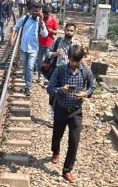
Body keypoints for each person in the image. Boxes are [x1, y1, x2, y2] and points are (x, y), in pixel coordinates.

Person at [46, 45, 94, 183]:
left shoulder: (86, 71)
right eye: (72, 61)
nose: (74, 64)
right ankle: (56, 152)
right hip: (61, 110)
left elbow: (92, 86)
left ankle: (67, 170)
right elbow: (49, 88)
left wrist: (85, 93)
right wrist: (61, 90)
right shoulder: (60, 70)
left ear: (80, 60)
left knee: (74, 142)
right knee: (57, 136)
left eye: (77, 61)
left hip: (76, 112)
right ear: (68, 58)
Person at [10, 1, 48, 96]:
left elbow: (45, 34)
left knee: (30, 67)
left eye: (38, 11)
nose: (36, 12)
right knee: (25, 67)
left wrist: (42, 21)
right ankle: (27, 79)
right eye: (34, 11)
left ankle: (28, 86)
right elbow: (16, 27)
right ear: (31, 11)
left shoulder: (40, 22)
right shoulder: (25, 18)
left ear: (40, 12)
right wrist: (12, 38)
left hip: (33, 49)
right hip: (23, 48)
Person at [45, 22, 82, 119]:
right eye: (67, 30)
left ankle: (68, 116)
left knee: (69, 95)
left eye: (71, 31)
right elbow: (47, 54)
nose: (69, 32)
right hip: (58, 73)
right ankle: (53, 115)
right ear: (64, 30)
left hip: (71, 74)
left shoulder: (77, 44)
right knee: (54, 94)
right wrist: (55, 54)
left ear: (74, 32)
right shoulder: (58, 41)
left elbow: (80, 59)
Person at [36, 6, 58, 83]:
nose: (45, 15)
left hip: (49, 44)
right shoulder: (40, 20)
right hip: (40, 43)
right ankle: (39, 76)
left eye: (47, 14)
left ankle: (46, 77)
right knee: (39, 61)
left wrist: (51, 31)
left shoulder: (53, 20)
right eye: (44, 14)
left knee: (48, 62)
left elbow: (56, 31)